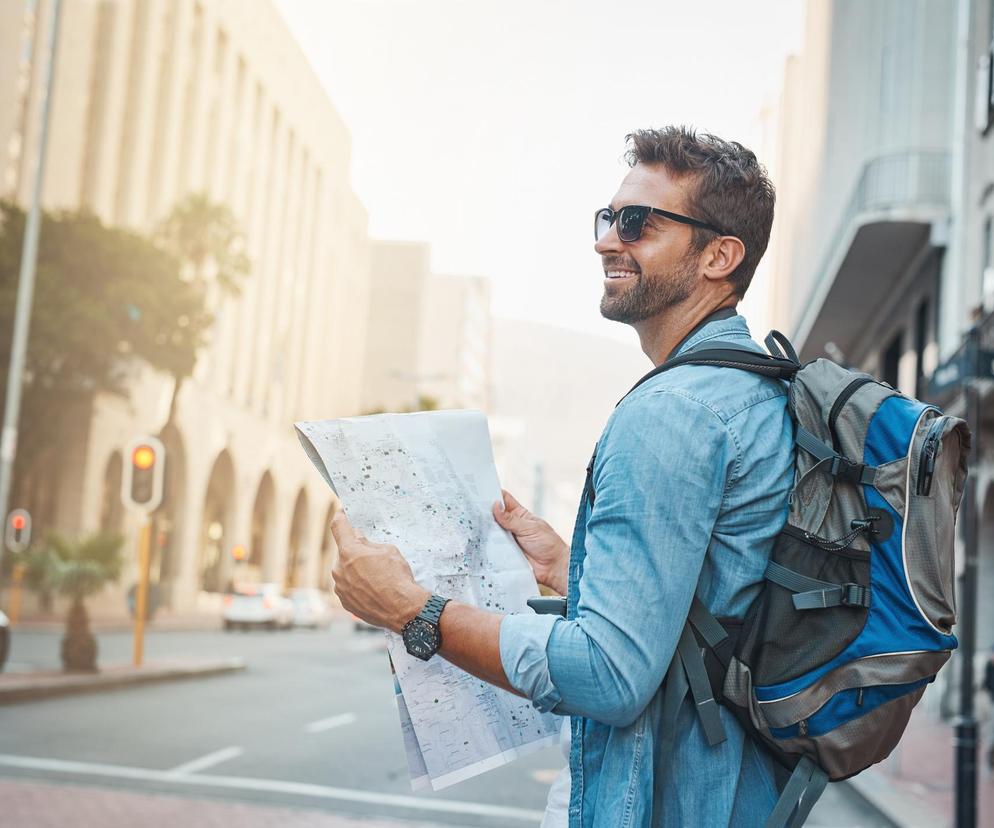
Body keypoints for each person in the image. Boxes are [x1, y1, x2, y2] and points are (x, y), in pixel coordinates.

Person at [330, 126, 793, 826]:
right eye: (608, 218)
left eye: (638, 223)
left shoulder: (673, 412)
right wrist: (574, 570)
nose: (608, 240)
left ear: (719, 256)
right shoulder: (751, 393)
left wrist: (412, 610)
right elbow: (712, 619)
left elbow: (608, 675)